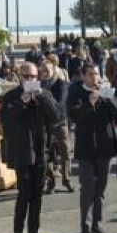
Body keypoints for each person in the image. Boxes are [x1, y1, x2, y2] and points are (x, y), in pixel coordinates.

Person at [0, 62, 62, 233]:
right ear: (19, 76)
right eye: (26, 76)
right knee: (24, 194)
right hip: (22, 152)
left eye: (34, 77)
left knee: (38, 196)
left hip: (41, 151)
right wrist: (22, 101)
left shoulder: (45, 94)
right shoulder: (11, 96)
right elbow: (6, 120)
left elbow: (56, 116)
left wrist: (41, 97)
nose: (30, 80)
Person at [67, 64, 117, 233]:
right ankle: (85, 226)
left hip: (105, 148)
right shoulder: (76, 93)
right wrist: (89, 103)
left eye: (96, 74)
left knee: (101, 189)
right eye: (90, 74)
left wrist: (107, 98)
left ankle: (97, 224)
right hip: (86, 149)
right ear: (83, 76)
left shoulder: (105, 92)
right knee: (88, 189)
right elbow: (74, 116)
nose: (94, 77)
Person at [40, 61, 74, 194]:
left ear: (54, 69)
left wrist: (44, 97)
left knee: (65, 151)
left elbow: (59, 103)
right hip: (45, 124)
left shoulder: (61, 84)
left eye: (47, 69)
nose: (45, 73)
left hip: (60, 123)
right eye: (42, 70)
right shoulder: (39, 85)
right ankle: (51, 181)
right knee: (46, 153)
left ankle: (66, 179)